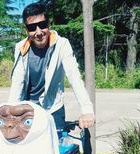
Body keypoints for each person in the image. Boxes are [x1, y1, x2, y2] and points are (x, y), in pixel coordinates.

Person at [8, 2, 95, 130]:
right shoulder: (21, 47)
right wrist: (11, 111)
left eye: (42, 25)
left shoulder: (62, 45)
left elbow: (74, 77)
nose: (38, 32)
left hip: (53, 108)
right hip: (27, 110)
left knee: (56, 148)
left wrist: (87, 110)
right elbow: (17, 82)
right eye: (32, 28)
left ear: (48, 24)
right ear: (26, 30)